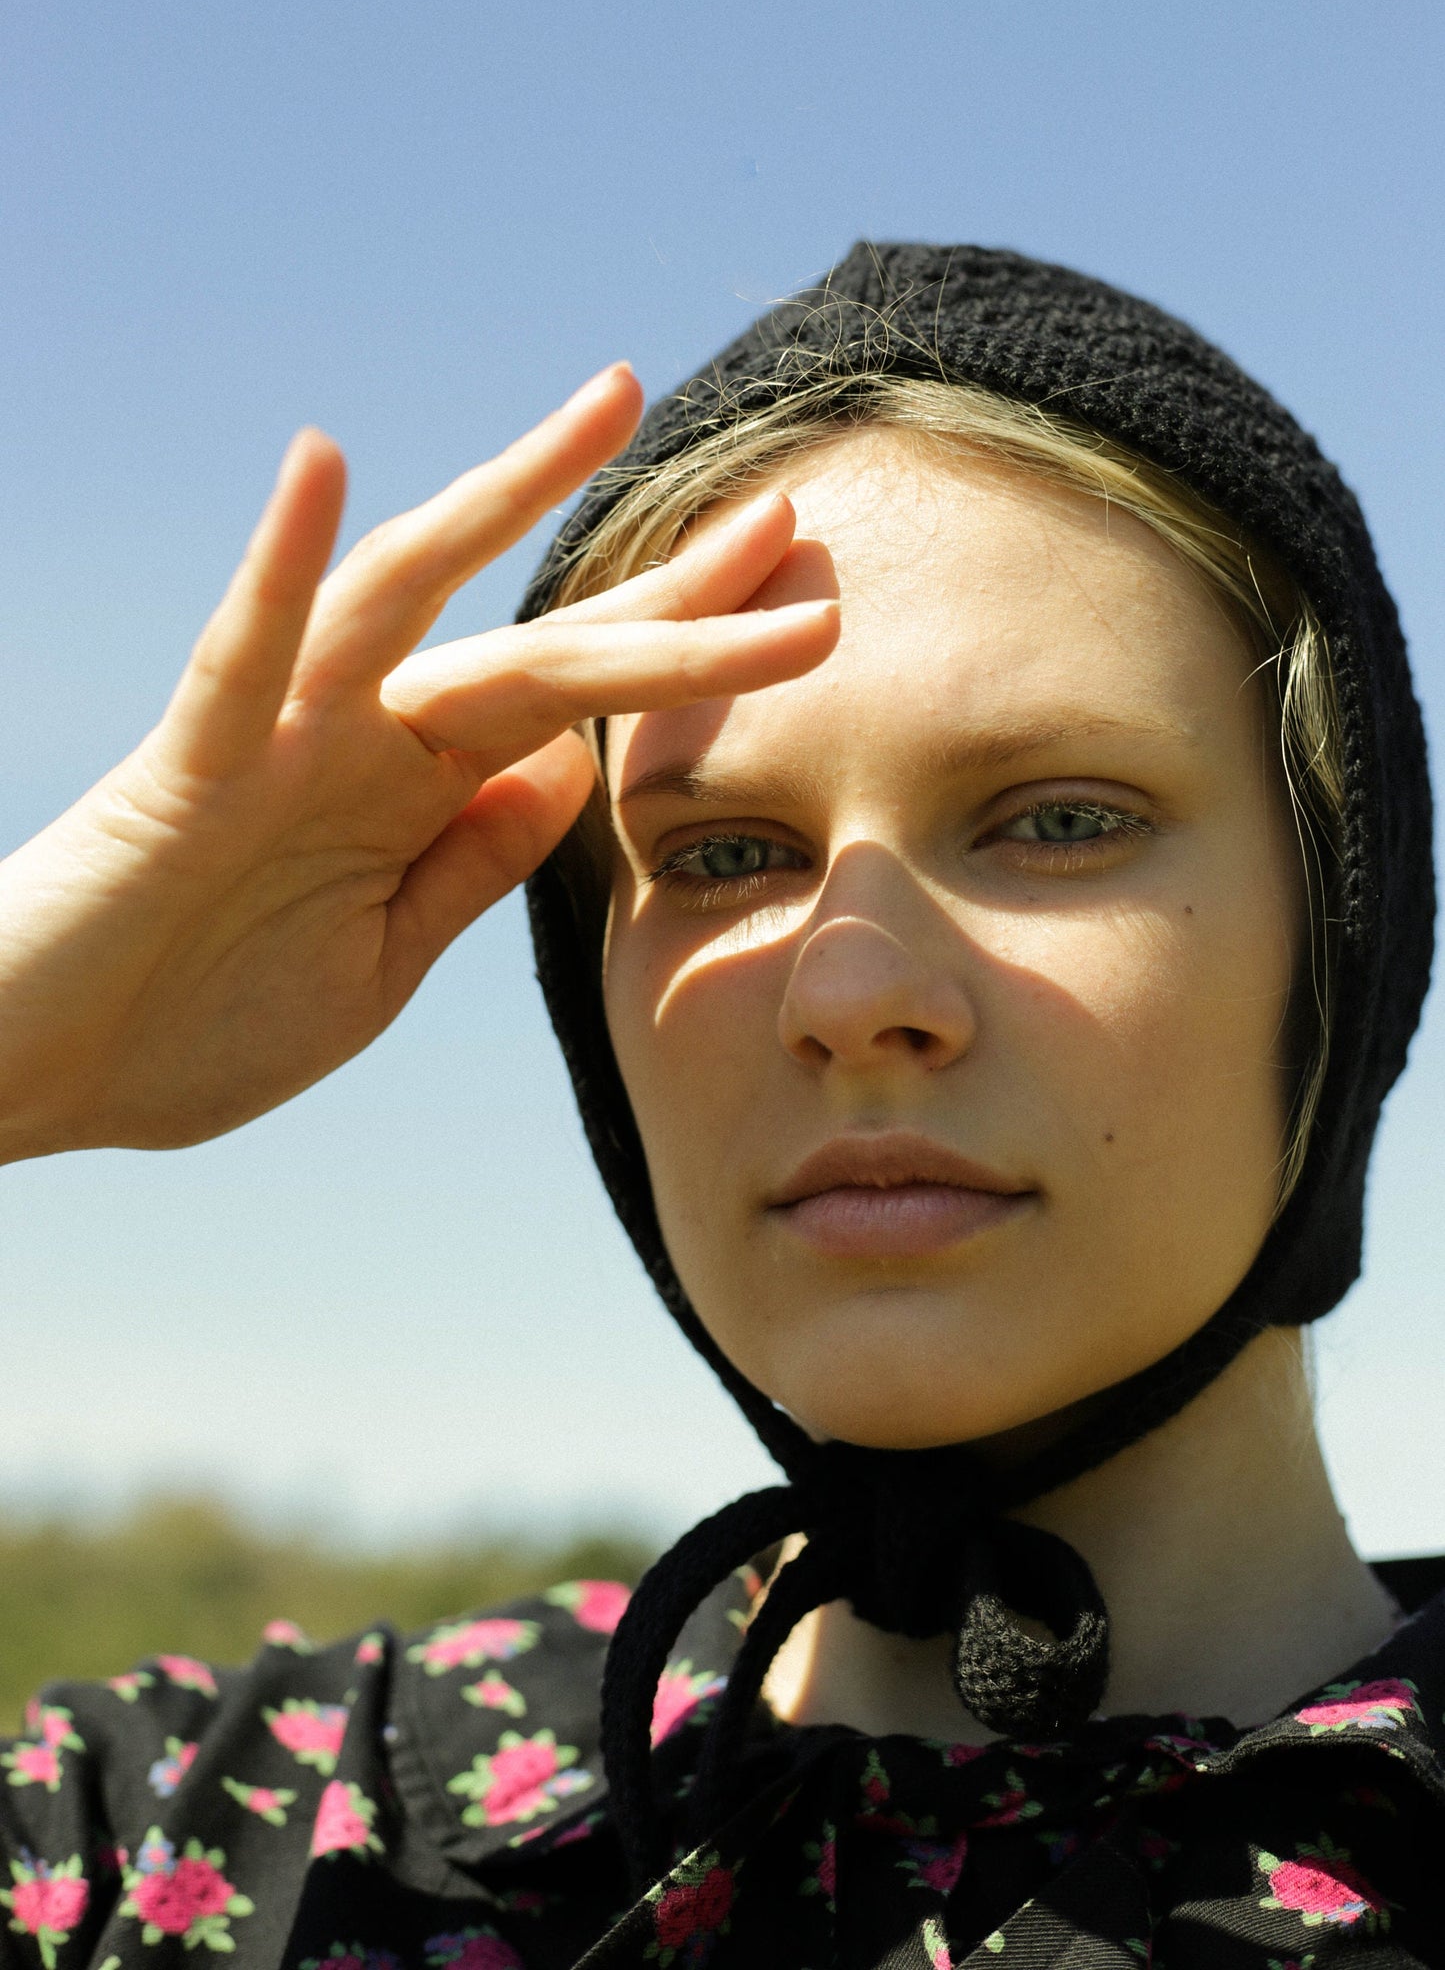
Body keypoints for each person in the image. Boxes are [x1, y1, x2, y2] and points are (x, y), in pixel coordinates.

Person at [0, 243, 1439, 1970]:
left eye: (1056, 820)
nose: (850, 996)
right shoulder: (197, 1840)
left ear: (1344, 928)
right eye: (723, 855)